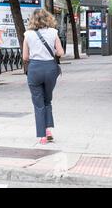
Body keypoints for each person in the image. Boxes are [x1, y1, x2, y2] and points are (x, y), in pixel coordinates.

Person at [22, 9, 65, 145]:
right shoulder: (53, 32)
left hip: (34, 69)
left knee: (38, 103)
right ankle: (48, 130)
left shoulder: (28, 34)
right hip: (50, 69)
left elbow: (25, 57)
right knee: (47, 100)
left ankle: (42, 136)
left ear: (33, 19)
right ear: (48, 18)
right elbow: (61, 52)